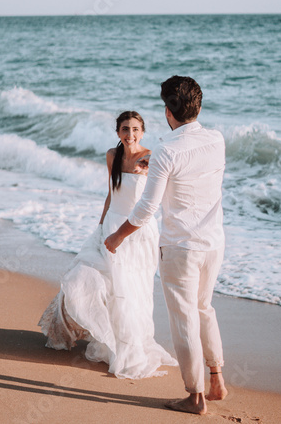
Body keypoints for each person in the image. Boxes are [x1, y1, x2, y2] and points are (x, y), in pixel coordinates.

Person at [105, 77, 228, 414]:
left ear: (167, 112)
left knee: (184, 319)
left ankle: (195, 396)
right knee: (205, 309)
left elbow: (146, 209)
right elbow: (200, 175)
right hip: (214, 242)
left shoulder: (165, 151)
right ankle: (216, 380)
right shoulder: (216, 139)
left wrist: (117, 235)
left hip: (181, 248)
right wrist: (158, 169)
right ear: (198, 107)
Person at [39, 110, 177, 379]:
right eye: (125, 129)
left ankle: (127, 348)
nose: (130, 134)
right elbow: (111, 194)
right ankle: (101, 337)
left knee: (132, 291)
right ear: (117, 132)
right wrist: (101, 226)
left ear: (143, 131)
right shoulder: (112, 156)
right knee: (85, 276)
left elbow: (163, 197)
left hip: (138, 233)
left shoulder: (152, 158)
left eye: (135, 129)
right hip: (111, 226)